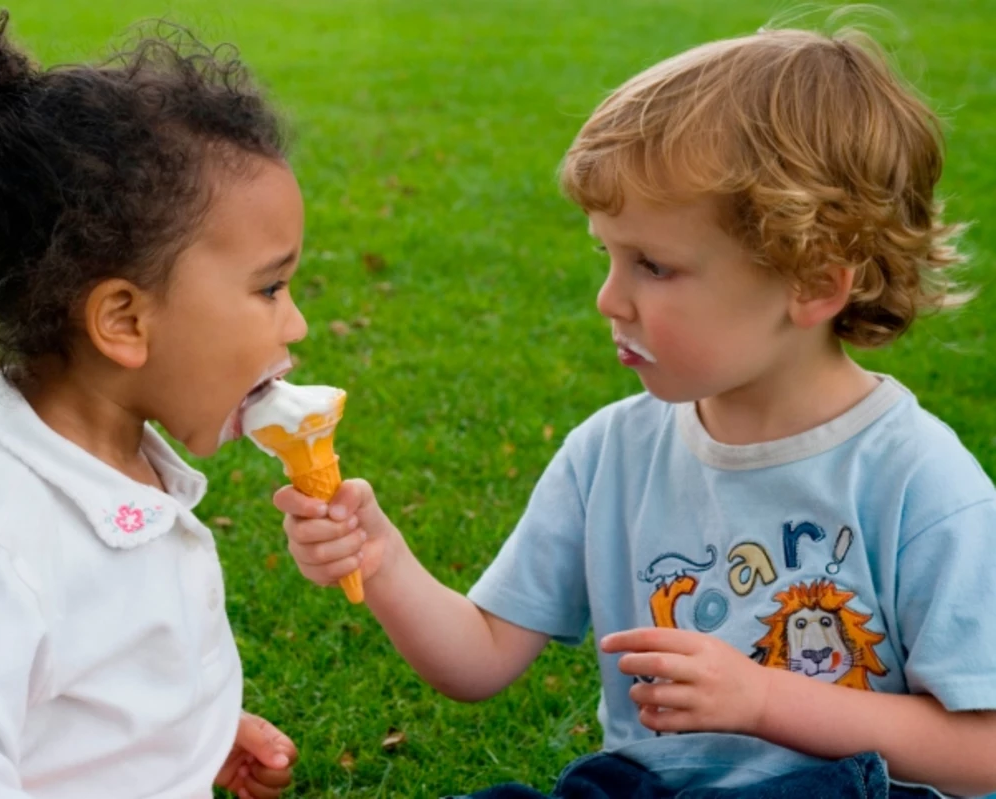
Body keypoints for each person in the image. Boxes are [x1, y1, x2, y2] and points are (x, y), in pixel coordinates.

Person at [275, 23, 996, 799]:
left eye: (653, 265)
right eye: (608, 255)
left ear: (813, 284)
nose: (608, 298)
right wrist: (378, 556)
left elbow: (981, 750)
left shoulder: (917, 479)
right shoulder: (610, 454)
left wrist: (763, 700)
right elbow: (478, 657)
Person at [0, 12, 307, 798]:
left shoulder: (124, 470)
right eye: (268, 287)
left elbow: (82, 677)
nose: (295, 322)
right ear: (124, 321)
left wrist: (180, 739)